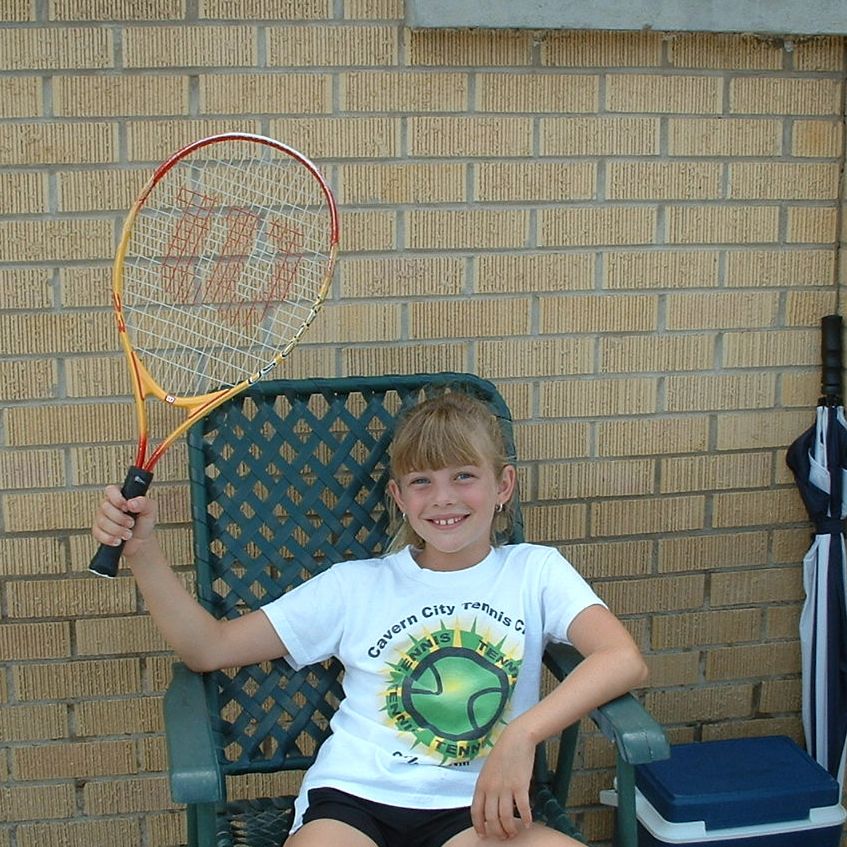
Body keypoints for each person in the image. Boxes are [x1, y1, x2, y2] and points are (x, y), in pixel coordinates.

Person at [92, 390, 649, 847]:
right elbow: (208, 648)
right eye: (422, 482)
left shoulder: (534, 572)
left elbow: (622, 658)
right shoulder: (356, 586)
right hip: (353, 804)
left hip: (476, 808)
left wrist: (522, 736)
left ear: (503, 486)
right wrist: (143, 553)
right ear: (399, 497)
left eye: (463, 476)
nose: (443, 498)